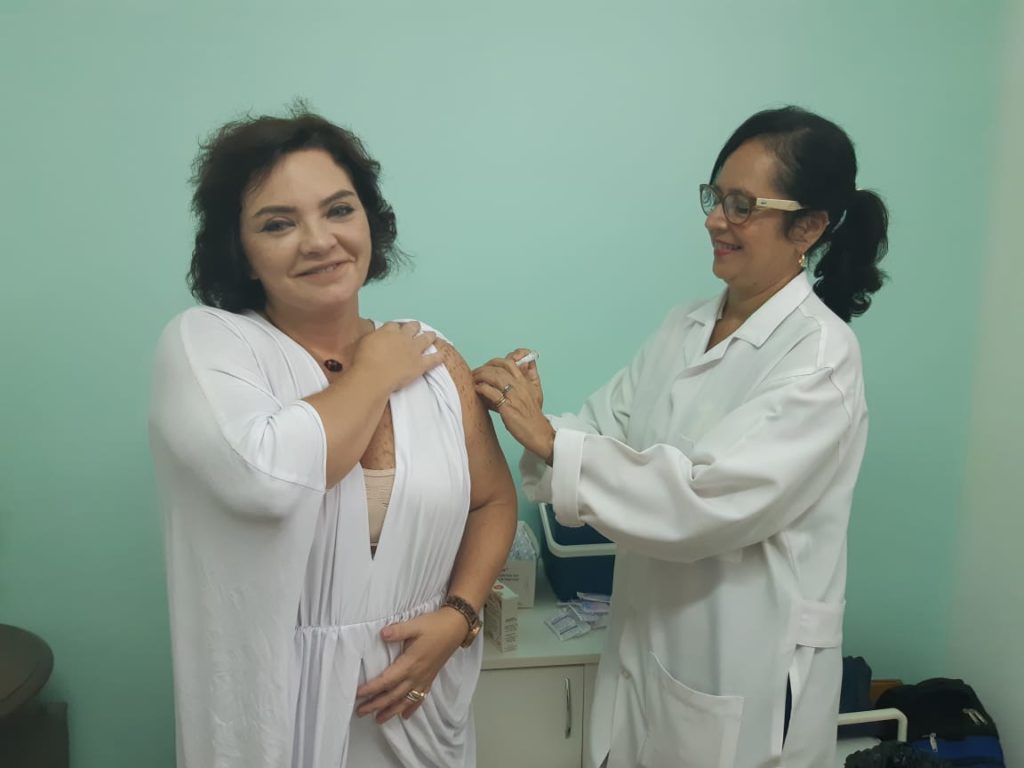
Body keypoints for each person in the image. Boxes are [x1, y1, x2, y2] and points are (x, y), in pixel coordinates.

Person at [473, 106, 888, 768]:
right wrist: (537, 419)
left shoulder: (820, 360)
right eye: (715, 198)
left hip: (742, 659)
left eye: (742, 205)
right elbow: (604, 427)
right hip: (649, 637)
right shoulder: (684, 326)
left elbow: (705, 501)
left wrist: (552, 442)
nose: (715, 220)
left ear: (808, 227)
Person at [148, 107, 517, 768]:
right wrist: (373, 372)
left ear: (369, 221)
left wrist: (459, 617)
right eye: (278, 223)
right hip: (281, 710)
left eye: (339, 210)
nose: (319, 241)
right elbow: (268, 480)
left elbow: (491, 501)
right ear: (240, 250)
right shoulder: (209, 346)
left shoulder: (432, 358)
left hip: (423, 709)